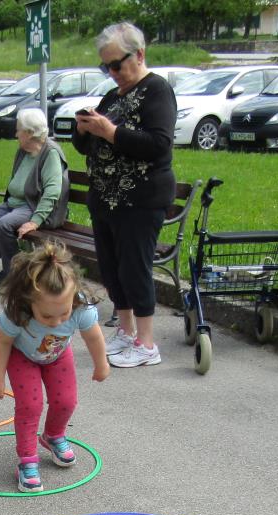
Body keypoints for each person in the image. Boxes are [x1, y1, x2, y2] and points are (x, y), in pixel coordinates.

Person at [72, 22, 176, 368]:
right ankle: (127, 332)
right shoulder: (113, 96)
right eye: (106, 67)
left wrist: (111, 132)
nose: (112, 73)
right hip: (106, 199)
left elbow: (159, 144)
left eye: (117, 64)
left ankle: (147, 344)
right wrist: (84, 129)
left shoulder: (157, 90)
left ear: (139, 54)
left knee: (134, 269)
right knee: (112, 269)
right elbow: (86, 146)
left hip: (140, 199)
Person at [0, 242, 109, 493]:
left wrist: (101, 364)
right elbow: (2, 342)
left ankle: (53, 436)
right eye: (46, 316)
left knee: (66, 401)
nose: (56, 322)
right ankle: (27, 460)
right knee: (30, 406)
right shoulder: (17, 311)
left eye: (63, 314)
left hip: (57, 356)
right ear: (29, 301)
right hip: (22, 357)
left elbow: (93, 337)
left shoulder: (80, 307)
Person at [0, 108, 70, 287]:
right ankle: (15, 264)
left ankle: (13, 273)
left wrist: (35, 221)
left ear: (30, 133)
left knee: (3, 225)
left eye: (19, 130)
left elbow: (52, 191)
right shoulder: (24, 151)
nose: (16, 133)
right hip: (15, 203)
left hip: (34, 206)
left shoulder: (50, 153)